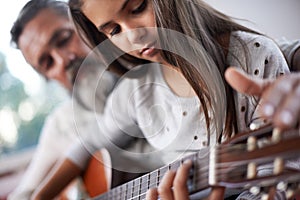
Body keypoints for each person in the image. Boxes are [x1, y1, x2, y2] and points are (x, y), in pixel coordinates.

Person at [32, 0, 300, 199]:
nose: (133, 36)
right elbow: (88, 142)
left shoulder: (252, 59)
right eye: (114, 31)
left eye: (137, 7)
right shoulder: (137, 88)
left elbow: (272, 183)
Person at [8, 0, 160, 199]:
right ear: (48, 77)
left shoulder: (155, 70)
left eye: (63, 39)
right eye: (48, 62)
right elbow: (23, 194)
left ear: (90, 27)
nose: (64, 60)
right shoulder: (61, 125)